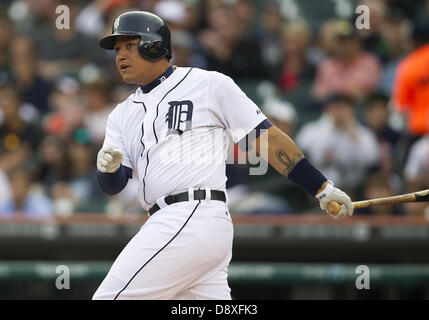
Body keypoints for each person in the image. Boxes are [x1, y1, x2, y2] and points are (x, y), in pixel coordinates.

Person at [93, 11, 353, 300]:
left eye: (129, 45)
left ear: (154, 45)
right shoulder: (121, 114)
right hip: (176, 223)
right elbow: (113, 185)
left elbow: (266, 138)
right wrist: (108, 169)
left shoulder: (208, 84)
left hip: (190, 214)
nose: (120, 56)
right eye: (117, 49)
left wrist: (321, 188)